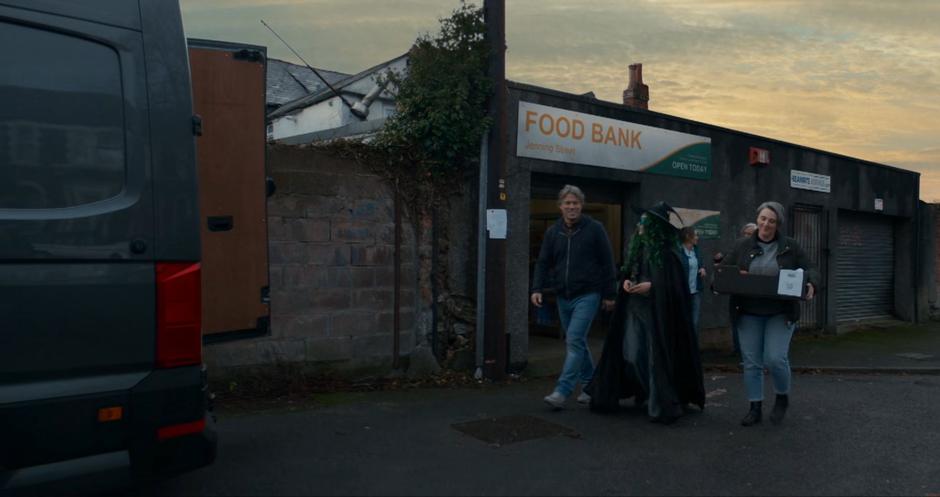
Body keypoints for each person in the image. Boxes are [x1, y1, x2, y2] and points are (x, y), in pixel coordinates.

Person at [586, 201, 705, 424]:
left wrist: (653, 287)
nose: (639, 225)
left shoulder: (670, 253)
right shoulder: (636, 247)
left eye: (645, 222)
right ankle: (645, 390)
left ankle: (657, 403)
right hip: (633, 309)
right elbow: (629, 271)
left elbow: (675, 286)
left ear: (654, 227)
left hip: (657, 314)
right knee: (631, 353)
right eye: (640, 221)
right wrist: (627, 282)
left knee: (655, 358)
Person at [723, 202, 817, 426]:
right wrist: (735, 274)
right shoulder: (742, 246)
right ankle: (755, 407)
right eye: (763, 218)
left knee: (775, 358)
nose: (766, 224)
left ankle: (782, 397)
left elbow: (811, 268)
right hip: (747, 312)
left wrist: (812, 283)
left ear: (778, 224)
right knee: (751, 362)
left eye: (772, 221)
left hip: (780, 312)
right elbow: (724, 272)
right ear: (757, 219)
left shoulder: (790, 247)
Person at [531, 185, 617, 409]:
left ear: (581, 205)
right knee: (577, 342)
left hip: (588, 294)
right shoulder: (553, 232)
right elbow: (542, 262)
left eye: (575, 203)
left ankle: (562, 390)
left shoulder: (594, 229)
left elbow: (607, 263)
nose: (572, 207)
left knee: (574, 340)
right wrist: (536, 288)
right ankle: (590, 386)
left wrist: (609, 294)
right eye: (567, 203)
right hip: (563, 295)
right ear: (560, 206)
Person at [713, 223, 757, 355]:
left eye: (752, 234)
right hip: (738, 294)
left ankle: (751, 351)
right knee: (737, 321)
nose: (749, 237)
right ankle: (739, 349)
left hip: (754, 294)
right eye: (747, 234)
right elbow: (723, 266)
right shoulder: (737, 248)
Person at [678, 227, 706, 338]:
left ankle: (692, 349)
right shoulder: (678, 251)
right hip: (683, 292)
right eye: (695, 235)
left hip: (696, 292)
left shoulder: (696, 250)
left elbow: (701, 263)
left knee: (694, 322)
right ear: (688, 237)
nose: (697, 238)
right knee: (682, 321)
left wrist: (702, 268)